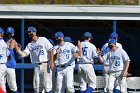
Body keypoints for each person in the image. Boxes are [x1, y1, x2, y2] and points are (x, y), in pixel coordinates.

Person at [15, 26, 54, 93]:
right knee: (36, 87)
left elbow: (50, 50)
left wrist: (52, 62)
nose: (29, 33)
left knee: (47, 86)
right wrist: (18, 50)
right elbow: (24, 54)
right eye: (28, 32)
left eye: (30, 32)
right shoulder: (30, 44)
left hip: (45, 64)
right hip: (36, 66)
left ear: (35, 32)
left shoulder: (43, 39)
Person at [0, 27, 10, 93]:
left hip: (1, 65)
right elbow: (8, 56)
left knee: (1, 83)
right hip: (3, 65)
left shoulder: (1, 43)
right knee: (2, 83)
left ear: (2, 34)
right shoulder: (4, 43)